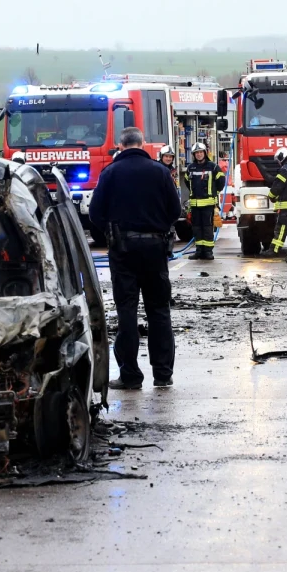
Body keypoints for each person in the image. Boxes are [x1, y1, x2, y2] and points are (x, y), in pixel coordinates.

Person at [89, 127, 181, 390]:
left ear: (120, 145)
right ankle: (163, 374)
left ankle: (130, 375)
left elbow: (95, 212)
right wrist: (159, 227)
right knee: (159, 310)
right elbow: (175, 210)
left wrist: (109, 233)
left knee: (126, 311)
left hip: (123, 249)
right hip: (155, 248)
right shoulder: (160, 172)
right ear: (142, 143)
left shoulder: (109, 173)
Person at [185, 142, 225, 261]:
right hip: (195, 205)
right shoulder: (190, 168)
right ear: (194, 155)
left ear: (205, 153)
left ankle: (208, 252)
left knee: (207, 228)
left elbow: (221, 182)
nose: (199, 155)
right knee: (196, 228)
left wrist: (213, 193)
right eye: (196, 153)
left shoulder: (213, 167)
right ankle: (199, 251)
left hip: (208, 204)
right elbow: (187, 182)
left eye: (201, 152)